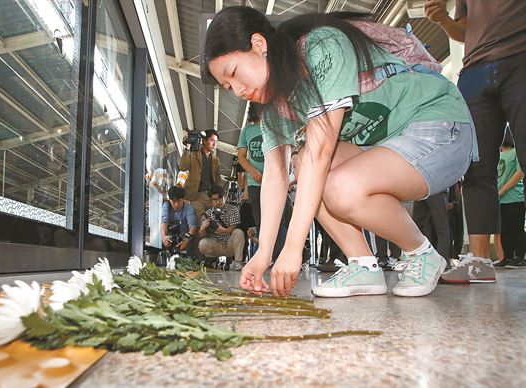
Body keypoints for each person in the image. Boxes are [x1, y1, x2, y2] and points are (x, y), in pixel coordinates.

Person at [202, 6, 476, 297]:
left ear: (259, 46)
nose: (238, 90)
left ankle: (421, 252)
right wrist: (264, 254)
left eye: (234, 73)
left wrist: (294, 248)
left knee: (332, 181)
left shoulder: (321, 46)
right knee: (301, 160)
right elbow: (275, 176)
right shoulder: (274, 108)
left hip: (441, 126)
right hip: (386, 149)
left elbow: (321, 153)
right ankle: (363, 265)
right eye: (228, 86)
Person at [425, 0, 526, 281]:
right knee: (475, 167)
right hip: (474, 70)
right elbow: (466, 30)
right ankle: (480, 261)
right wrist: (444, 20)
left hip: (520, 57)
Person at [237, 102, 292, 260]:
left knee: (283, 217)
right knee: (262, 221)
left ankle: (285, 255)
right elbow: (241, 156)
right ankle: (273, 256)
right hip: (255, 184)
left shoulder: (276, 127)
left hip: (275, 182)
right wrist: (252, 171)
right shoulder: (247, 131)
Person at [179, 129, 224, 220]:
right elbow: (183, 167)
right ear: (204, 140)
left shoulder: (216, 159)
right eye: (212, 140)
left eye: (216, 142)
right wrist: (188, 146)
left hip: (212, 195)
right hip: (196, 194)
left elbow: (218, 179)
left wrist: (220, 196)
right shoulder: (193, 154)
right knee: (200, 222)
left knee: (212, 222)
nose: (214, 144)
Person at [198, 185, 246, 270]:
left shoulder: (233, 209)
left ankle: (237, 262)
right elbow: (201, 235)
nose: (217, 202)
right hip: (215, 243)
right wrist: (202, 228)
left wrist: (223, 230)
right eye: (214, 200)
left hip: (230, 244)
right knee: (202, 243)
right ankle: (212, 261)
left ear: (224, 197)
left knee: (239, 232)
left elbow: (233, 227)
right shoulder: (207, 214)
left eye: (220, 198)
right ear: (210, 201)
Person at [495, 132, 524, 267]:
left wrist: (503, 189)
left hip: (514, 198)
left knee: (516, 228)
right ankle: (506, 257)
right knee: (504, 230)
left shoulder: (516, 152)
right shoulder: (496, 155)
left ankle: (519, 256)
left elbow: (520, 172)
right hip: (500, 200)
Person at [160, 185, 200, 260]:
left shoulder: (188, 208)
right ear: (169, 200)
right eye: (173, 202)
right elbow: (164, 222)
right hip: (171, 235)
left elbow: (193, 227)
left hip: (185, 236)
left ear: (184, 199)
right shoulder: (166, 205)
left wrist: (185, 240)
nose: (176, 205)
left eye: (179, 201)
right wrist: (164, 237)